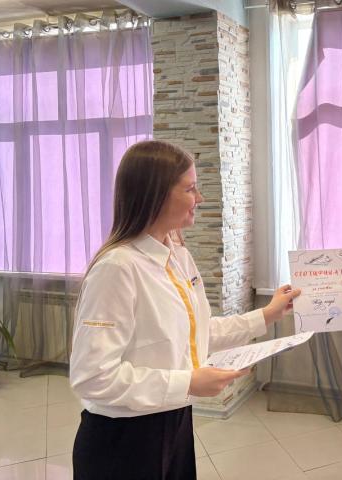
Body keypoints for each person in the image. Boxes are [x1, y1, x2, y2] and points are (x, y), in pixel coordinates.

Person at [69, 140, 300, 480]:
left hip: (173, 420)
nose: (200, 198)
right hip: (123, 438)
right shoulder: (117, 268)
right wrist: (188, 382)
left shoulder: (178, 256)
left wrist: (266, 315)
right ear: (156, 195)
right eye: (190, 189)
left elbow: (196, 331)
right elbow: (93, 377)